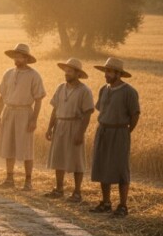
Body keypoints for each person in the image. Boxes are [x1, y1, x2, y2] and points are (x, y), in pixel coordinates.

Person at [90, 57, 140, 218]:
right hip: (103, 130)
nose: (106, 74)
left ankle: (123, 205)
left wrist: (125, 132)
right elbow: (101, 110)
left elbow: (134, 115)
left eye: (109, 71)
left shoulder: (129, 92)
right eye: (105, 71)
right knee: (102, 165)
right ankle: (106, 202)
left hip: (119, 132)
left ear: (118, 74)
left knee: (120, 168)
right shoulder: (104, 89)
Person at [0, 43, 46, 191]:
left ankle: (28, 181)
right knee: (8, 145)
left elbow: (38, 99)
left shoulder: (34, 75)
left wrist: (33, 120)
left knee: (26, 148)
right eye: (15, 56)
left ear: (26, 58)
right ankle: (9, 179)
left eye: (20, 56)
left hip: (25, 113)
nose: (17, 58)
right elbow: (2, 96)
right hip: (8, 111)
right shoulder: (8, 73)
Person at [44, 58, 94, 202]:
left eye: (70, 71)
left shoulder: (85, 91)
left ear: (78, 73)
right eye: (66, 71)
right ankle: (59, 189)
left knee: (77, 160)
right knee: (58, 157)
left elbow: (87, 114)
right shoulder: (60, 88)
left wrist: (80, 133)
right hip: (60, 124)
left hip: (75, 126)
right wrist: (49, 128)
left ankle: (77, 192)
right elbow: (55, 109)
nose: (66, 73)